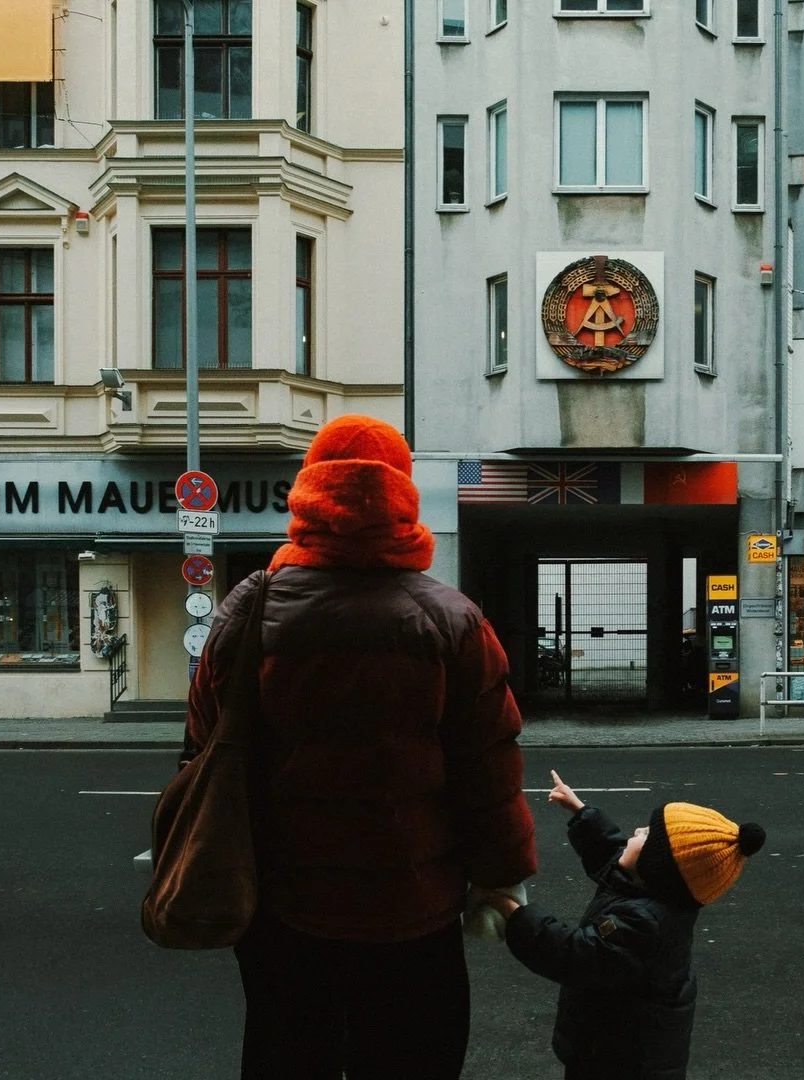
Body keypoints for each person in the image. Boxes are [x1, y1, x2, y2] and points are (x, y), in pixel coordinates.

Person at [182, 414, 538, 1080]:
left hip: (284, 910)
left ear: (307, 494)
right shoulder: (451, 621)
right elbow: (489, 770)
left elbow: (202, 747)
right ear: (402, 493)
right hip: (414, 912)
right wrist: (498, 877)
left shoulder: (250, 610)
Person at [477, 770, 765, 1080]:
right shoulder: (656, 891)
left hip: (619, 1064)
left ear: (655, 866)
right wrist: (579, 809)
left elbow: (574, 955)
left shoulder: (645, 924)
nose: (639, 829)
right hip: (614, 1050)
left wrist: (514, 912)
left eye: (646, 835)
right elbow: (609, 851)